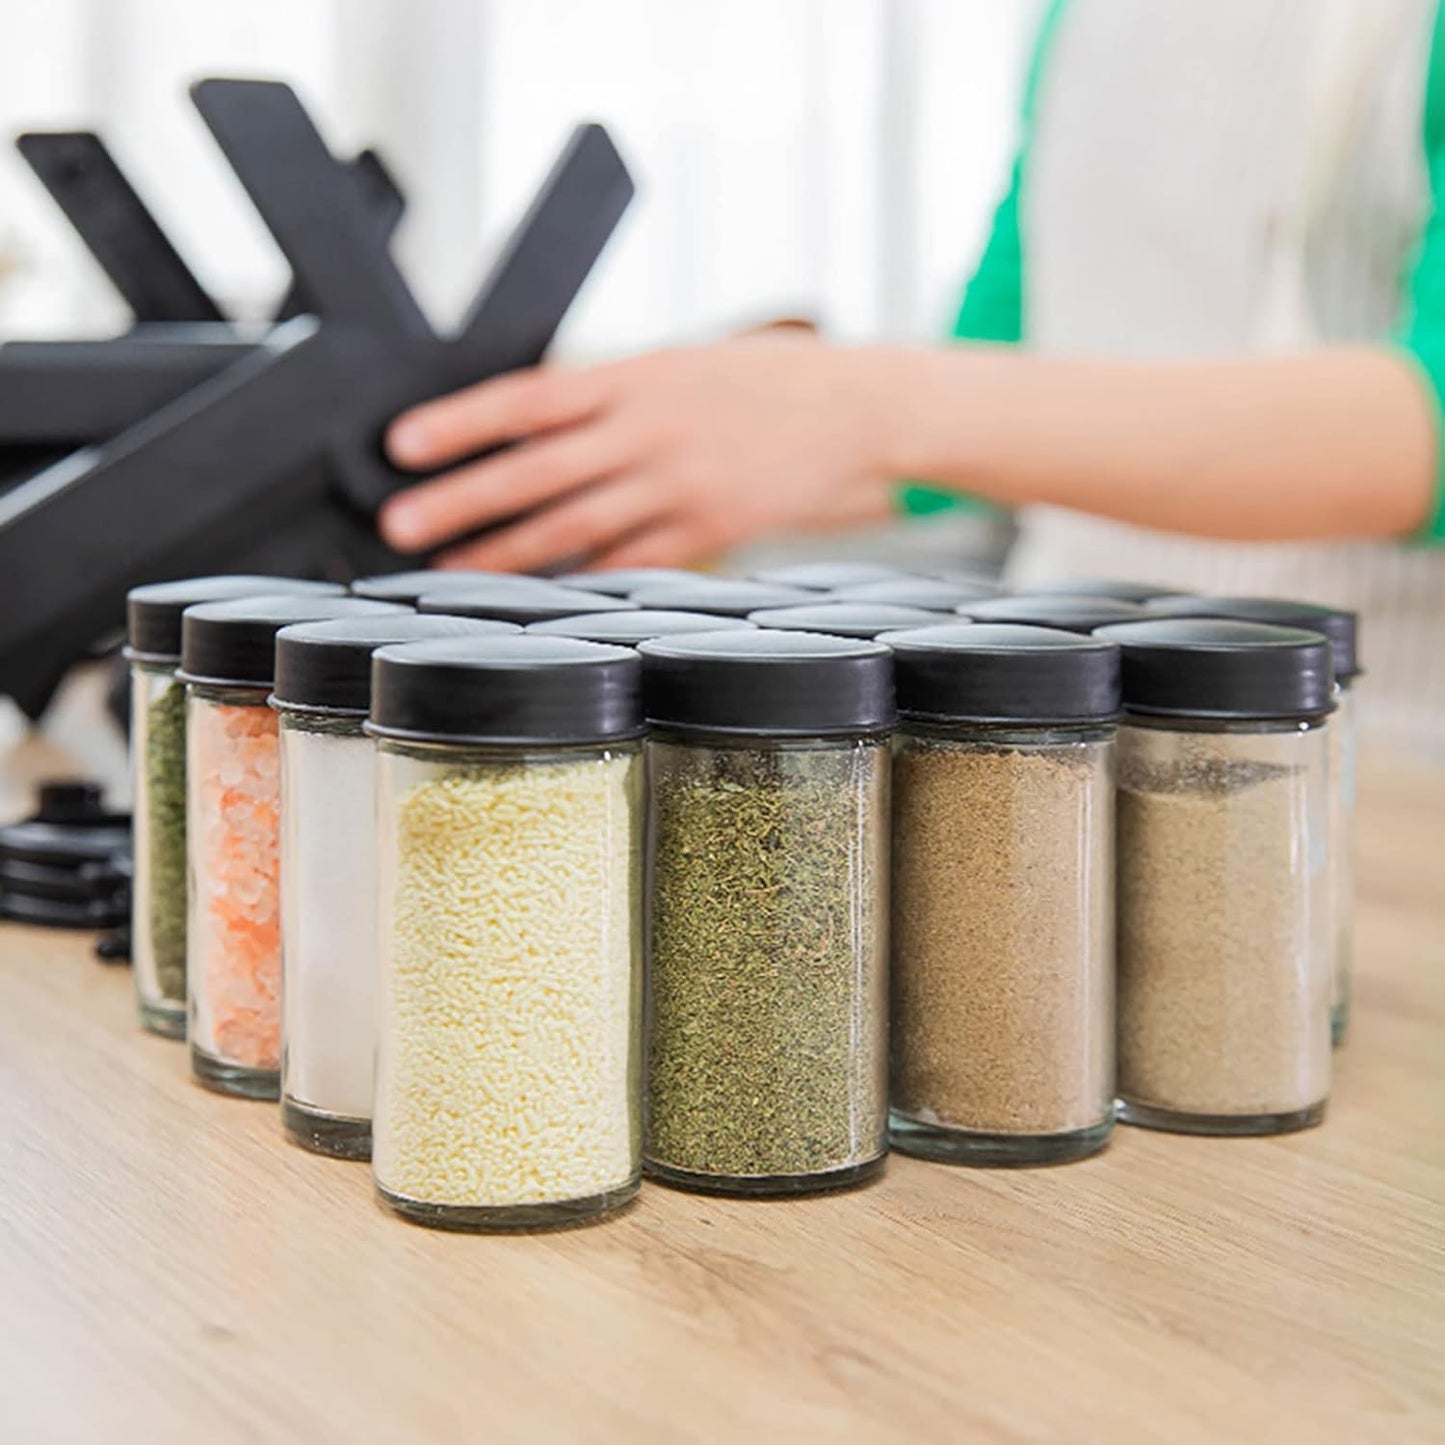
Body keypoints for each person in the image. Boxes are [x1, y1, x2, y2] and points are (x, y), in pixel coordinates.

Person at [378, 0, 1445, 747]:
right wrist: (674, 454)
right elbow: (988, 387)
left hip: (1370, 744)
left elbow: (1425, 425)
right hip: (1054, 708)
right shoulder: (1087, 17)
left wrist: (869, 404)